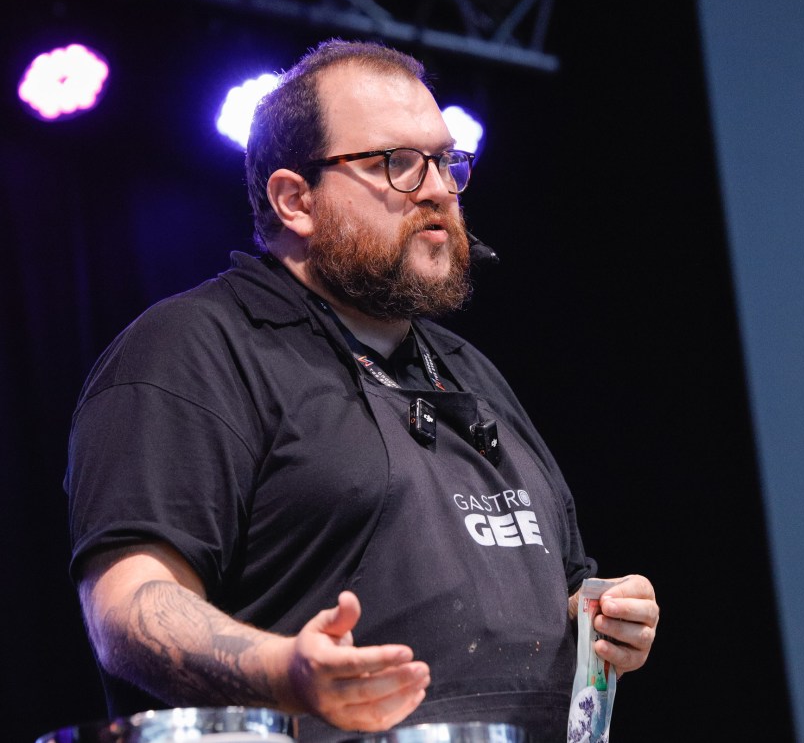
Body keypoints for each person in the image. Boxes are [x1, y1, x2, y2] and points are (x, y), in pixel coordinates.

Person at [65, 39, 659, 742]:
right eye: (396, 163)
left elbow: (564, 592)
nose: (437, 189)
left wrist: (609, 617)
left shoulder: (470, 370)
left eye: (445, 161)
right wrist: (285, 671)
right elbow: (130, 604)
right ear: (295, 200)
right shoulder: (193, 348)